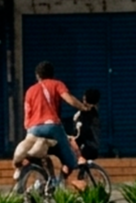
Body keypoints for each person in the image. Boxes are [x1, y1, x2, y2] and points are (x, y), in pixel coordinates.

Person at [23, 61, 91, 191]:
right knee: (71, 160)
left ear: (37, 75)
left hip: (33, 129)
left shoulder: (30, 91)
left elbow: (27, 115)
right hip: (52, 127)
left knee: (43, 155)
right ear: (52, 74)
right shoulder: (57, 84)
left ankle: (50, 181)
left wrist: (29, 133)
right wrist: (83, 108)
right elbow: (69, 99)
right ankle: (58, 183)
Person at [73, 88, 101, 161]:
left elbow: (82, 131)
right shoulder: (94, 114)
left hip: (86, 147)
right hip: (91, 146)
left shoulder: (86, 115)